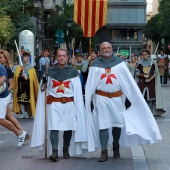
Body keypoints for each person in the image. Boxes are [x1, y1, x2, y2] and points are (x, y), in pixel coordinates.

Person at [85, 42, 162, 162]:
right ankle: (104, 151)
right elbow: (90, 83)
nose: (106, 50)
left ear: (112, 49)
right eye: (104, 48)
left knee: (117, 123)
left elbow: (127, 82)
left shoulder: (119, 63)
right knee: (102, 124)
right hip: (101, 98)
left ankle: (116, 147)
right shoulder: (95, 64)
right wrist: (89, 99)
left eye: (108, 48)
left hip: (117, 98)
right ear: (100, 50)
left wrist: (127, 98)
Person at [31, 48, 92, 162]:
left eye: (64, 56)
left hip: (68, 103)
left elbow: (77, 91)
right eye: (59, 56)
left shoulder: (73, 72)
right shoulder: (50, 71)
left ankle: (65, 149)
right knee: (54, 127)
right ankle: (54, 151)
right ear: (56, 57)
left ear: (67, 57)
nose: (62, 58)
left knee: (68, 127)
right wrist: (43, 82)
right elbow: (44, 90)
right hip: (54, 104)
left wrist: (78, 105)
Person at [0, 50, 30, 140]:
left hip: (4, 95)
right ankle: (23, 133)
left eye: (1, 57)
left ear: (6, 59)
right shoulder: (4, 67)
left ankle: (21, 133)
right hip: (3, 95)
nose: (0, 59)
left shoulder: (7, 69)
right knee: (8, 116)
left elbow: (11, 84)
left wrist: (6, 92)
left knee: (5, 117)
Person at [136, 49, 165, 115]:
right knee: (142, 98)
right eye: (143, 55)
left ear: (148, 55)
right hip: (142, 83)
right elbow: (137, 73)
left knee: (150, 99)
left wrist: (150, 79)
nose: (144, 56)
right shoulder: (139, 63)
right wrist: (143, 75)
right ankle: (142, 112)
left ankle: (149, 113)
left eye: (145, 55)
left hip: (151, 83)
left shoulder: (153, 63)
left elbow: (156, 73)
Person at [13, 52, 39, 118]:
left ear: (28, 57)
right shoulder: (19, 67)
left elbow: (33, 78)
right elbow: (16, 76)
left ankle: (28, 112)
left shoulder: (31, 68)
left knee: (28, 100)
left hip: (28, 87)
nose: (24, 58)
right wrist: (20, 75)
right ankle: (23, 113)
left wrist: (28, 77)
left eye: (25, 57)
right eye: (23, 57)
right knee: (20, 100)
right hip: (21, 86)